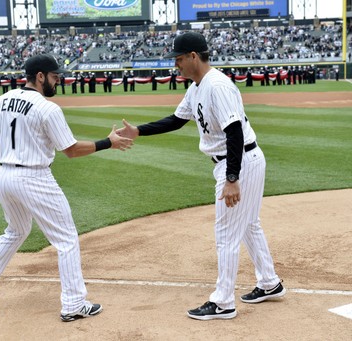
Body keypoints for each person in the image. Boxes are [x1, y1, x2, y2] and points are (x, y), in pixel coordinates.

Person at [116, 32, 285, 321]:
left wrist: (232, 178)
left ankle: (222, 302)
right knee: (247, 225)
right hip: (243, 160)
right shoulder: (197, 87)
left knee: (226, 232)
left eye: (179, 59)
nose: (176, 65)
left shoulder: (217, 85)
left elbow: (234, 131)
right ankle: (269, 282)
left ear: (194, 56)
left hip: (240, 161)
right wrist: (139, 131)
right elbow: (177, 120)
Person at [0, 53, 133, 322]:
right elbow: (71, 150)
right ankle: (74, 303)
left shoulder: (0, 100)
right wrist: (108, 142)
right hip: (35, 178)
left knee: (15, 231)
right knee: (66, 239)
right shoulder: (47, 108)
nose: (58, 80)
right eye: (54, 76)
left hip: (5, 177)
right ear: (40, 76)